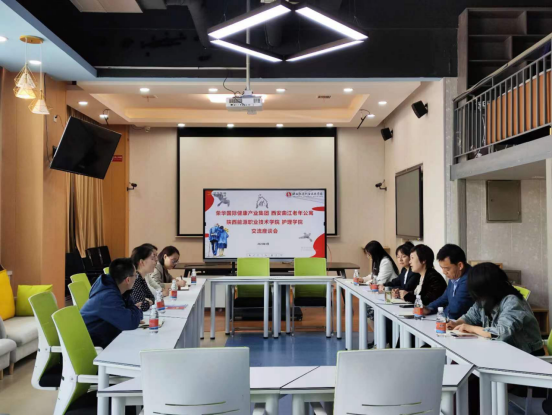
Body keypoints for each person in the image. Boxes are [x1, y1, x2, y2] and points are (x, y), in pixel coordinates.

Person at [447, 263, 544, 356]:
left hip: (526, 354)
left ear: (487, 288)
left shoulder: (512, 302)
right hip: (503, 350)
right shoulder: (486, 299)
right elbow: (470, 317)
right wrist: (456, 323)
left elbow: (501, 333)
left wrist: (471, 328)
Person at [80, 258, 143, 349]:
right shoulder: (107, 296)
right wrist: (135, 310)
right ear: (128, 280)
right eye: (135, 276)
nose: (136, 278)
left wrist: (133, 312)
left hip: (106, 337)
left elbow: (134, 315)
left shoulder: (119, 290)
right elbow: (130, 322)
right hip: (91, 345)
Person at [422, 244, 474, 320]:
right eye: (442, 268)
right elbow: (444, 298)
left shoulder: (470, 278)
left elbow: (455, 309)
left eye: (447, 269)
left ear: (460, 265)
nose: (444, 272)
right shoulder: (455, 275)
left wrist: (440, 315)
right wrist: (429, 308)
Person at [130, 244, 157, 312]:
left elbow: (152, 297)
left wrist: (148, 301)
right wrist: (148, 302)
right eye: (152, 259)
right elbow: (142, 306)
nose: (155, 261)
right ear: (142, 262)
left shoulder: (141, 277)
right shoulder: (135, 278)